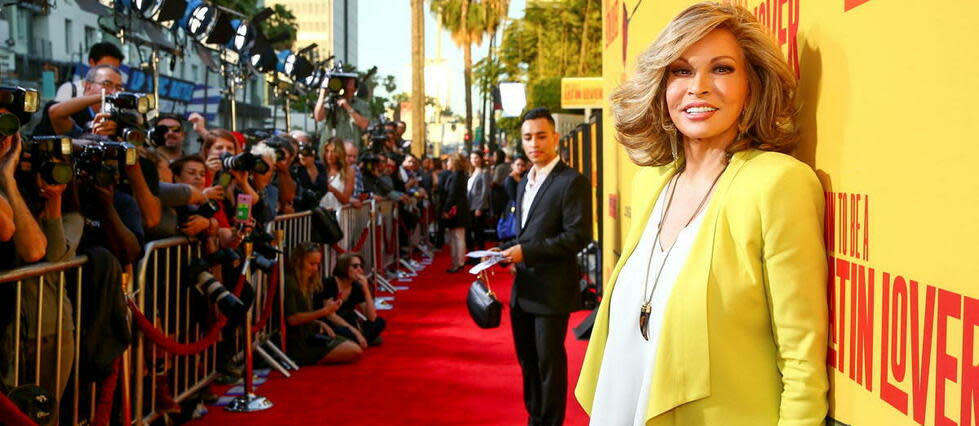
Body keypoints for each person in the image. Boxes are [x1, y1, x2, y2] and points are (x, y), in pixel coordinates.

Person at [576, 4, 828, 426]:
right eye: (681, 71)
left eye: (723, 69)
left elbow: (802, 361)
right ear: (661, 85)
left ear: (753, 85)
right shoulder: (653, 182)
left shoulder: (777, 184)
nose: (700, 87)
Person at [497, 108, 591, 426]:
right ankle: (535, 418)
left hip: (551, 290)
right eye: (527, 137)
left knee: (549, 363)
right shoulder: (525, 182)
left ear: (555, 137)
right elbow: (527, 232)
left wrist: (528, 253)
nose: (534, 143)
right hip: (522, 289)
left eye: (540, 136)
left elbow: (577, 237)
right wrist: (505, 254)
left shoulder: (571, 181)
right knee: (528, 361)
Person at [284, 242, 363, 365]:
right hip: (298, 341)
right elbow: (292, 319)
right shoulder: (290, 282)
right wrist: (325, 311)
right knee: (354, 350)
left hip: (311, 331)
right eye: (311, 264)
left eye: (317, 264)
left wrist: (319, 322)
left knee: (355, 346)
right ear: (298, 262)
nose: (315, 269)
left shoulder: (307, 281)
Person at [314, 253, 386, 347]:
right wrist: (356, 332)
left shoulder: (355, 286)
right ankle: (361, 339)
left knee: (380, 322)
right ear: (344, 267)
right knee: (345, 331)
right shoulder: (330, 283)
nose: (360, 270)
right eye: (355, 266)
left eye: (361, 266)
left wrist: (366, 289)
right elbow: (330, 316)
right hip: (331, 322)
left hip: (349, 321)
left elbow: (371, 317)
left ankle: (357, 340)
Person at [54, 42, 124, 102]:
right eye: (105, 67)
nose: (111, 73)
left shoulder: (118, 94)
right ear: (92, 63)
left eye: (115, 69)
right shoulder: (69, 90)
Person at [313, 77, 370, 149]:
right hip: (330, 151)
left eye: (349, 82)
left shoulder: (362, 105)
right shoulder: (330, 100)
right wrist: (322, 95)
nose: (345, 84)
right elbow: (318, 117)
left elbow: (364, 124)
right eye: (344, 81)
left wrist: (347, 107)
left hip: (350, 151)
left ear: (355, 89)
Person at [440, 153, 471, 273]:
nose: (447, 163)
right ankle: (457, 262)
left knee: (457, 236)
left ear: (454, 163)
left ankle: (458, 262)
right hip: (459, 208)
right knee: (457, 235)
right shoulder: (460, 175)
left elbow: (452, 194)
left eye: (449, 161)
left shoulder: (457, 176)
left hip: (456, 209)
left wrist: (446, 209)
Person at [318, 137, 355, 211]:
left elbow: (345, 200)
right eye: (327, 151)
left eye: (333, 151)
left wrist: (332, 189)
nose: (329, 155)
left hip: (339, 215)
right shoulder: (320, 168)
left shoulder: (348, 171)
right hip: (321, 214)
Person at [466, 151, 490, 249]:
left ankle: (480, 255)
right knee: (470, 230)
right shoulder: (472, 172)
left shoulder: (484, 172)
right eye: (472, 158)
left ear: (481, 159)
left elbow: (485, 191)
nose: (474, 160)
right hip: (470, 205)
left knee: (478, 232)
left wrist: (480, 207)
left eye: (476, 158)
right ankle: (473, 254)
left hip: (478, 206)